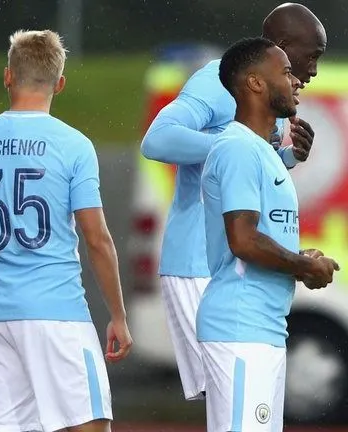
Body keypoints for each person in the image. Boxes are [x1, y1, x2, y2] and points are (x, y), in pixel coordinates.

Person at [0, 29, 132, 432]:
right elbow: (97, 239)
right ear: (59, 84)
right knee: (90, 424)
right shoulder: (73, 145)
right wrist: (118, 314)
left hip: (0, 318)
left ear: (7, 76)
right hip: (58, 314)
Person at [139, 2, 326, 401]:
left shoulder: (271, 102)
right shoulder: (217, 81)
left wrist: (287, 157)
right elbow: (157, 140)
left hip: (227, 264)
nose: (313, 70)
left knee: (233, 401)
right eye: (311, 56)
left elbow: (244, 171)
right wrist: (237, 146)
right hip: (197, 263)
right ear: (282, 46)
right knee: (228, 398)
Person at [200, 36, 339, 432]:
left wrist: (300, 257)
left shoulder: (263, 151)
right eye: (286, 72)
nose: (296, 80)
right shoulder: (239, 149)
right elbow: (243, 241)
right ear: (256, 83)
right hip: (240, 328)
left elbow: (260, 237)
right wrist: (303, 268)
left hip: (263, 329)